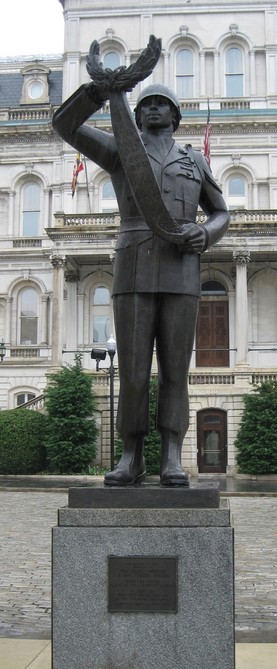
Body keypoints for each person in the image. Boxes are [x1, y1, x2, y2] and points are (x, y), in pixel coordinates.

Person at [52, 78, 230, 487]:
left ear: (175, 114)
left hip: (182, 268)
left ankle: (171, 455)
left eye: (160, 103)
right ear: (135, 113)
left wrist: (208, 233)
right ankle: (131, 454)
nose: (152, 109)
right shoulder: (122, 152)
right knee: (132, 371)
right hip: (133, 267)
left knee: (174, 370)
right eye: (145, 103)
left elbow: (221, 211)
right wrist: (101, 89)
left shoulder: (193, 160)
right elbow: (64, 125)